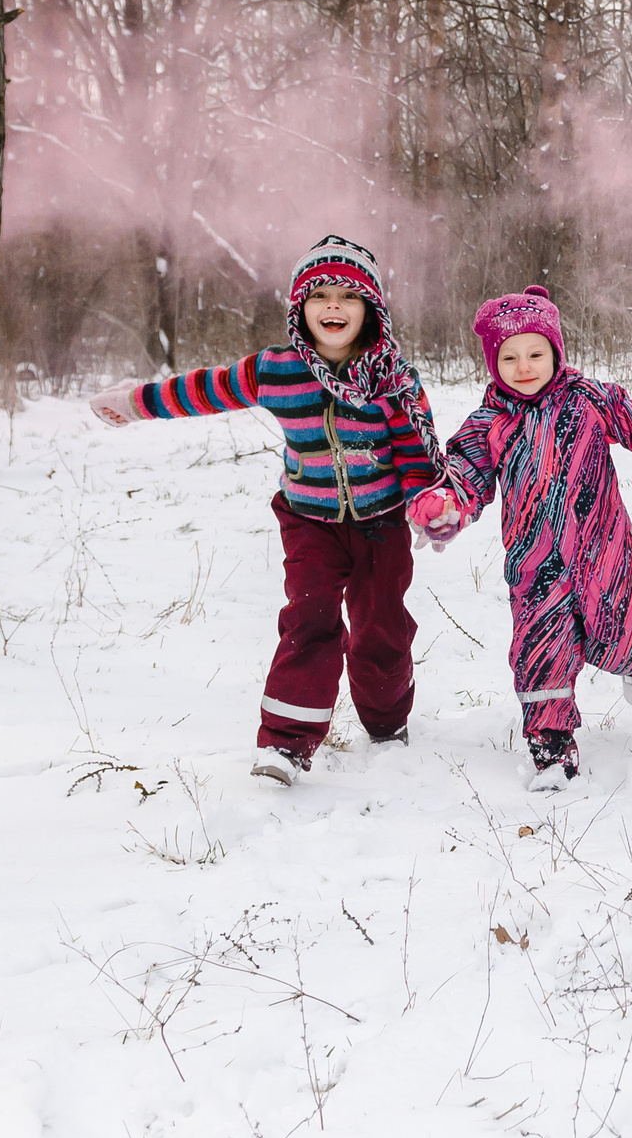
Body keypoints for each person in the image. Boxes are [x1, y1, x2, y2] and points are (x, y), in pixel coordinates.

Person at [89, 235, 443, 784]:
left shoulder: (392, 379)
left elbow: (417, 453)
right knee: (310, 620)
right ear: (299, 309)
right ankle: (286, 743)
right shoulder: (276, 371)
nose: (332, 306)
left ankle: (385, 721)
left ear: (370, 309)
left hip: (381, 522)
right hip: (309, 521)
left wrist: (426, 503)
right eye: (318, 294)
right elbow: (204, 389)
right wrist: (138, 403)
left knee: (381, 626)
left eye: (347, 297)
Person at [407, 286, 632, 790]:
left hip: (606, 553)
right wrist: (446, 504)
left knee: (621, 638)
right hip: (535, 566)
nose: (523, 366)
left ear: (556, 352)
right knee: (540, 651)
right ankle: (551, 750)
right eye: (509, 356)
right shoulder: (488, 423)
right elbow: (464, 474)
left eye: (535, 352)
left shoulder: (586, 398)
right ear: (492, 361)